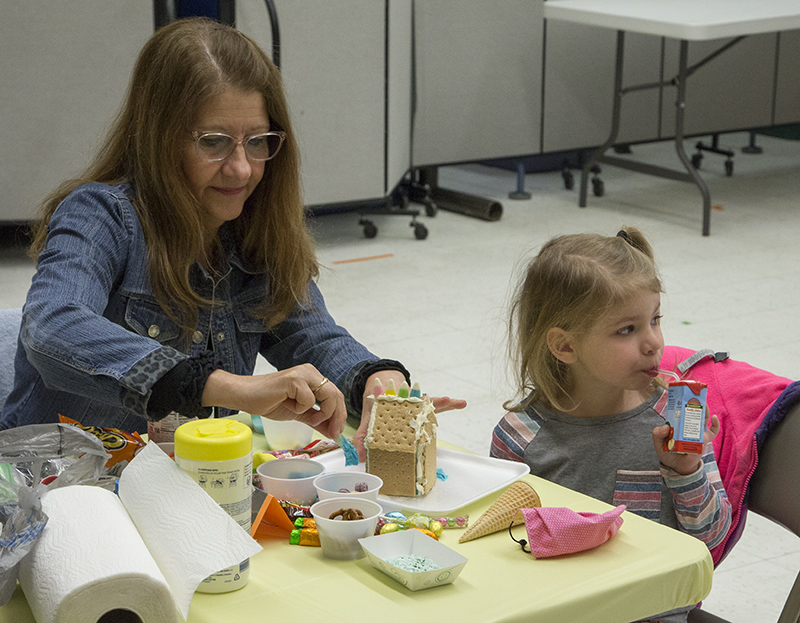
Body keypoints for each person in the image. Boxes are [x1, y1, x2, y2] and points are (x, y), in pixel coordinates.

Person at [0, 18, 464, 455]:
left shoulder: (254, 232)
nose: (242, 168)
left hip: (183, 482)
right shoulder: (100, 215)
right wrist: (225, 386)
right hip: (61, 488)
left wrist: (373, 378)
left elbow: (315, 338)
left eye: (258, 141)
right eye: (214, 141)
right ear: (158, 139)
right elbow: (51, 327)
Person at [490, 227, 731, 623]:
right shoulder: (521, 436)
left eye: (655, 319)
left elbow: (708, 542)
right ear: (565, 346)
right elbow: (501, 550)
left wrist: (686, 471)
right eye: (627, 329)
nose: (654, 342)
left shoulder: (675, 419)